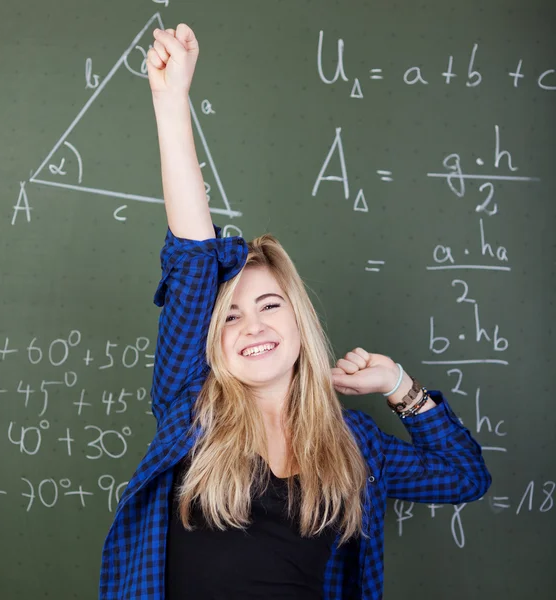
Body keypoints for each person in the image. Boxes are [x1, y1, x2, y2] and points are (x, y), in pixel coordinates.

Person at [99, 24, 492, 600]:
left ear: (298, 324)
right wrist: (170, 100)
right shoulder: (191, 409)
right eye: (229, 316)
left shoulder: (351, 441)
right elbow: (192, 256)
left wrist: (400, 386)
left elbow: (466, 477)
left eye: (268, 305)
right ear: (212, 341)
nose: (252, 325)